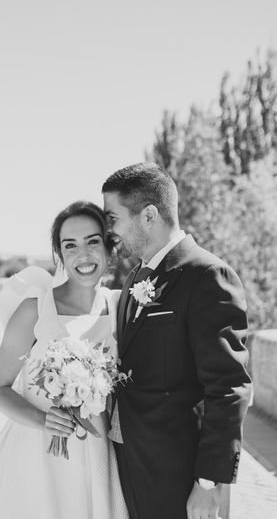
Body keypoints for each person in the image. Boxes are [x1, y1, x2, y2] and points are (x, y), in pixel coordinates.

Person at [102, 163, 252, 519]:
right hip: (133, 461)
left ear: (149, 215)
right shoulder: (134, 277)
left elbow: (229, 387)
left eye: (113, 219)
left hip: (180, 471)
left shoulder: (208, 275)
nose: (109, 232)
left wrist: (208, 483)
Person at [0, 201, 129, 519]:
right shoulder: (35, 308)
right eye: (70, 245)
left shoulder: (119, 306)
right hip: (35, 455)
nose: (83, 255)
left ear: (108, 246)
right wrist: (44, 421)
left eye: (93, 241)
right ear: (60, 254)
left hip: (97, 454)